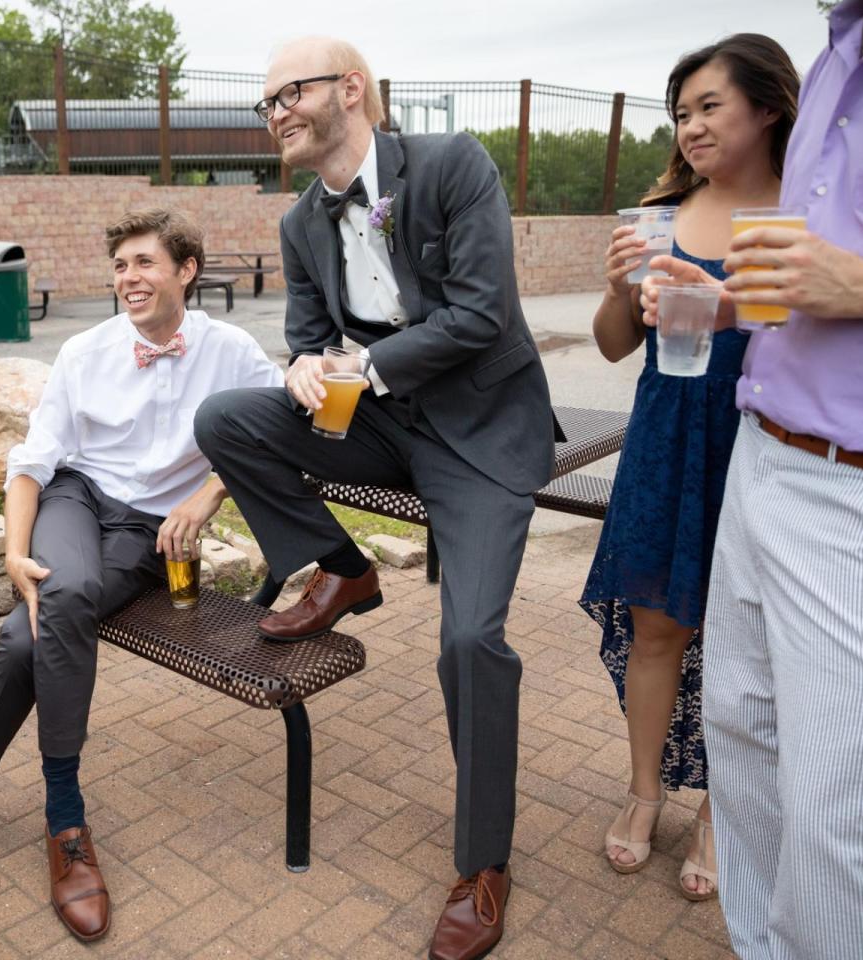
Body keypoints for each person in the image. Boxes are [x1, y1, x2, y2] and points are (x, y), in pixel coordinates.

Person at [193, 37, 554, 960]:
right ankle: (343, 568)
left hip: (478, 430)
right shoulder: (298, 223)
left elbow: (482, 312)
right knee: (229, 420)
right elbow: (310, 337)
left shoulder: (452, 165)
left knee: (470, 639)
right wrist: (307, 367)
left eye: (289, 93)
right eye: (264, 100)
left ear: (350, 90)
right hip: (384, 425)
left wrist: (365, 364)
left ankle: (483, 864)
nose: (274, 112)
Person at [0, 208, 283, 942]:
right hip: (74, 501)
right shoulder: (86, 351)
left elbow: (275, 426)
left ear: (185, 271)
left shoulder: (232, 350)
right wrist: (16, 553)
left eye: (144, 262)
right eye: (119, 266)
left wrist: (209, 493)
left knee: (27, 639)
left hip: (149, 531)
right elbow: (32, 466)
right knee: (64, 589)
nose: (128, 278)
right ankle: (61, 813)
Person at [640, 0, 863, 953]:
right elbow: (807, 280)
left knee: (847, 821)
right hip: (762, 458)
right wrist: (728, 305)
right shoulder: (835, 53)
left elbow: (855, 278)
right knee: (744, 752)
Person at [579, 34, 799, 902]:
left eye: (711, 106)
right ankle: (645, 796)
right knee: (658, 627)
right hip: (667, 439)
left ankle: (719, 808)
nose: (692, 127)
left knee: (751, 641)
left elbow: (809, 338)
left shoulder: (799, 214)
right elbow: (610, 347)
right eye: (681, 113)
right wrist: (612, 288)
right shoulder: (661, 210)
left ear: (770, 105)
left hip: (759, 445)